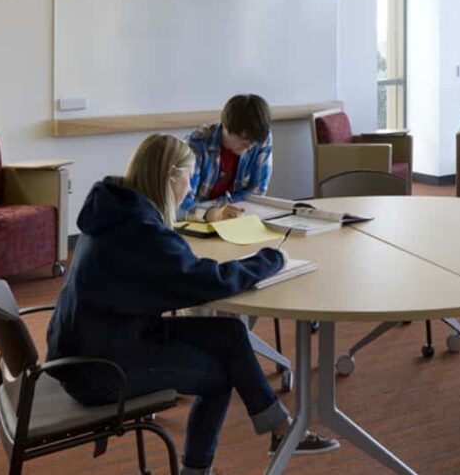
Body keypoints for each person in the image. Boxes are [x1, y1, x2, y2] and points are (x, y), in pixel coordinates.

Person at [46, 134, 337, 475]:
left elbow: (182, 275)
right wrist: (271, 260)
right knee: (218, 375)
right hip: (98, 370)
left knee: (229, 332)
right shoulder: (141, 232)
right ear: (171, 177)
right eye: (190, 176)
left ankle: (281, 430)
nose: (191, 186)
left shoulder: (115, 208)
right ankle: (198, 470)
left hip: (94, 341)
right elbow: (208, 282)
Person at [180, 94, 274, 223]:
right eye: (245, 140)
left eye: (255, 141)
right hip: (199, 223)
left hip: (235, 220)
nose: (251, 146)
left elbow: (257, 190)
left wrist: (224, 208)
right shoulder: (196, 145)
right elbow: (181, 203)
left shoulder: (261, 138)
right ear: (226, 127)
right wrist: (213, 213)